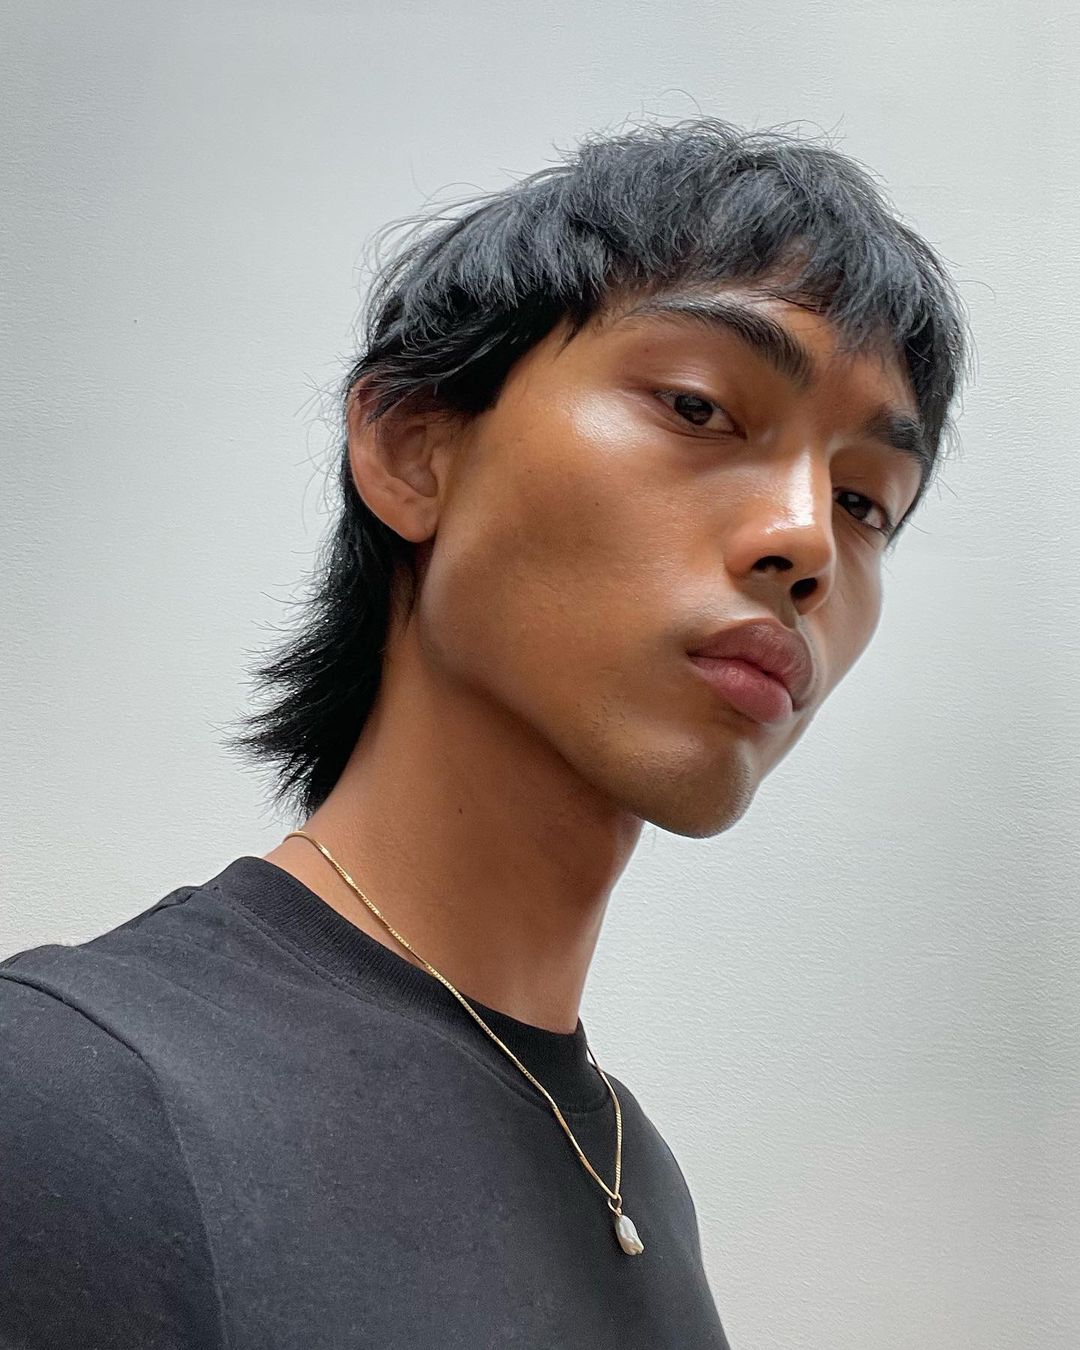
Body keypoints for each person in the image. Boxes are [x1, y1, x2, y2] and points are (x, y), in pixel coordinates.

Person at [0, 116, 968, 1349]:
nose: (806, 541)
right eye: (699, 406)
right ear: (413, 449)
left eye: (865, 501)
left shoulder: (635, 1172)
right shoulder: (69, 1097)